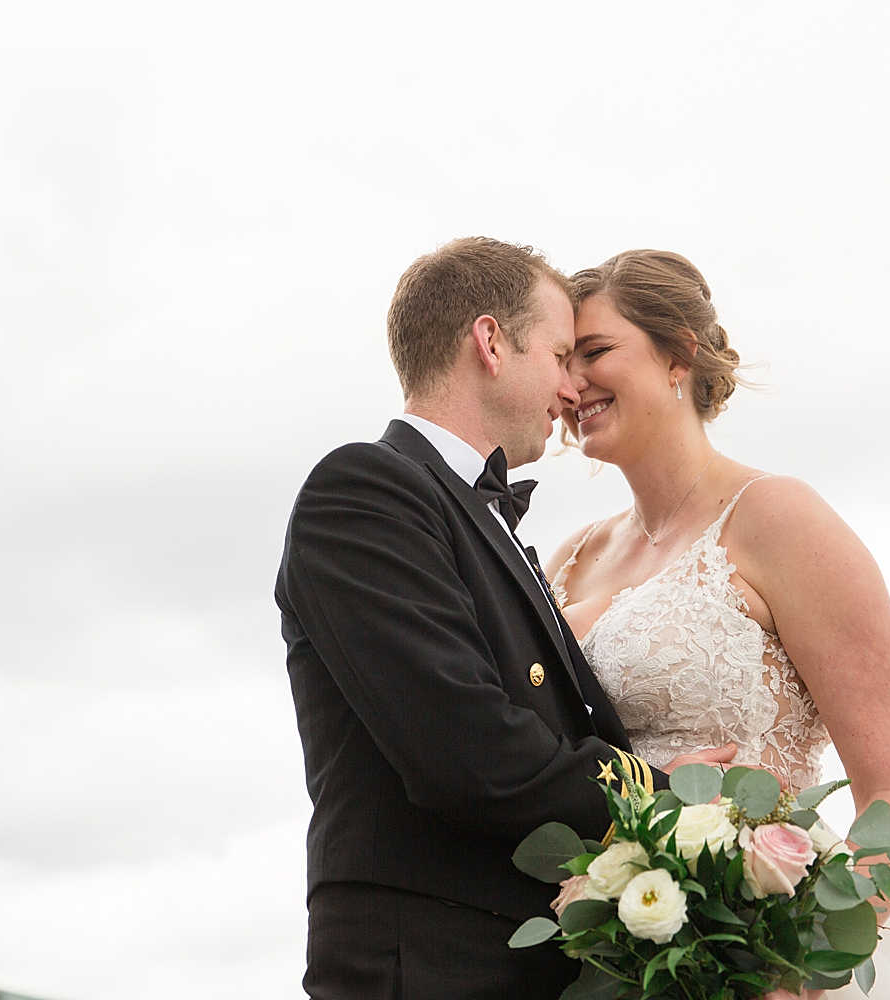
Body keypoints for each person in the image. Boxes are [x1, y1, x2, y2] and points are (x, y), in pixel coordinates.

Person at [275, 238, 737, 1000]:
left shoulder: (484, 521)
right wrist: (662, 793)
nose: (570, 386)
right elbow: (470, 752)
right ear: (491, 343)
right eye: (560, 354)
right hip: (427, 961)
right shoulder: (363, 491)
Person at [544, 249, 890, 999]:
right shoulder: (570, 558)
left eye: (595, 352)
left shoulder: (778, 519)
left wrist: (800, 970)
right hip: (626, 959)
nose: (570, 385)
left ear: (678, 355)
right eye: (564, 361)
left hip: (772, 951)